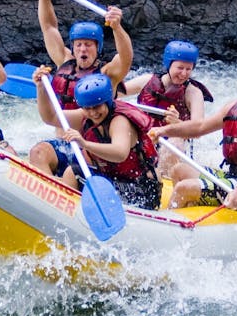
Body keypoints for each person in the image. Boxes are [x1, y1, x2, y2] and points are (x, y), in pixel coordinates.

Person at [148, 50, 237, 211]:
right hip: (232, 177)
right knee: (178, 170)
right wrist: (164, 130)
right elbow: (199, 127)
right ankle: (189, 214)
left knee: (184, 188)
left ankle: (170, 223)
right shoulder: (235, 106)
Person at [28, 0, 135, 177]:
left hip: (92, 148)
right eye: (78, 45)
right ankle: (52, 197)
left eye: (88, 45)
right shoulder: (64, 62)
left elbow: (126, 57)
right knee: (38, 153)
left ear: (98, 48)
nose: (82, 50)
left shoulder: (107, 74)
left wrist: (117, 28)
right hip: (62, 142)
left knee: (70, 170)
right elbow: (49, 27)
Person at [32, 67, 162, 210]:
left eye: (97, 106)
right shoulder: (85, 115)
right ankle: (62, 212)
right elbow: (51, 117)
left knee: (73, 173)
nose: (93, 113)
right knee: (72, 171)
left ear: (107, 101)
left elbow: (120, 153)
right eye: (87, 108)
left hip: (140, 186)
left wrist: (84, 143)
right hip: (113, 179)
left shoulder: (119, 121)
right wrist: (41, 89)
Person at [120, 39, 214, 180]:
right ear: (168, 64)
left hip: (169, 144)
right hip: (142, 138)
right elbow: (115, 93)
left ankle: (160, 180)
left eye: (189, 69)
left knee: (175, 141)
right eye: (180, 68)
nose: (184, 74)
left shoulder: (193, 93)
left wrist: (178, 123)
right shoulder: (147, 81)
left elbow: (198, 130)